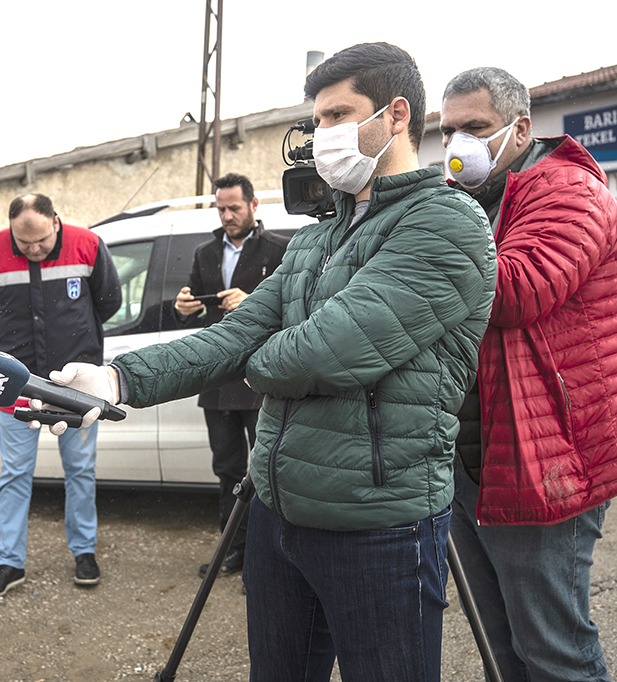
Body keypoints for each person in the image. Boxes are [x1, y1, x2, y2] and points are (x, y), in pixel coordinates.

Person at [34, 43, 496, 680]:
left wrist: (255, 364)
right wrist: (115, 380)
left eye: (338, 115)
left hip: (377, 525)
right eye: (319, 120)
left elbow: (325, 352)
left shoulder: (446, 222)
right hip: (279, 515)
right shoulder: (317, 237)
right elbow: (235, 332)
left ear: (395, 116)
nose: (322, 134)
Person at [440, 66, 617, 682]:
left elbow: (516, 291)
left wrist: (422, 233)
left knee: (553, 650)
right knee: (499, 645)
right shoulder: (475, 198)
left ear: (520, 127)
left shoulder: (566, 191)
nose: (459, 146)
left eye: (475, 128)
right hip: (479, 452)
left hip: (548, 455)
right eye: (449, 131)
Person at [0, 193, 122, 600]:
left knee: (80, 470)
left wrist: (75, 339)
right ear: (10, 228)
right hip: (14, 384)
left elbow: (108, 302)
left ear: (56, 221)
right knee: (14, 474)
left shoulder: (88, 245)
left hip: (75, 385)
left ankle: (84, 552)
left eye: (42, 242)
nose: (32, 249)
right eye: (23, 242)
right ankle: (10, 562)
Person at [172, 172, 288, 577]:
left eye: (234, 207)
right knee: (227, 468)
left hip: (261, 378)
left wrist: (254, 300)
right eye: (221, 208)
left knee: (269, 469)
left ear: (254, 206)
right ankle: (232, 548)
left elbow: (294, 312)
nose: (226, 215)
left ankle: (270, 557)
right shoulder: (205, 253)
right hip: (218, 380)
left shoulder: (280, 250)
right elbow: (197, 313)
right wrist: (187, 308)